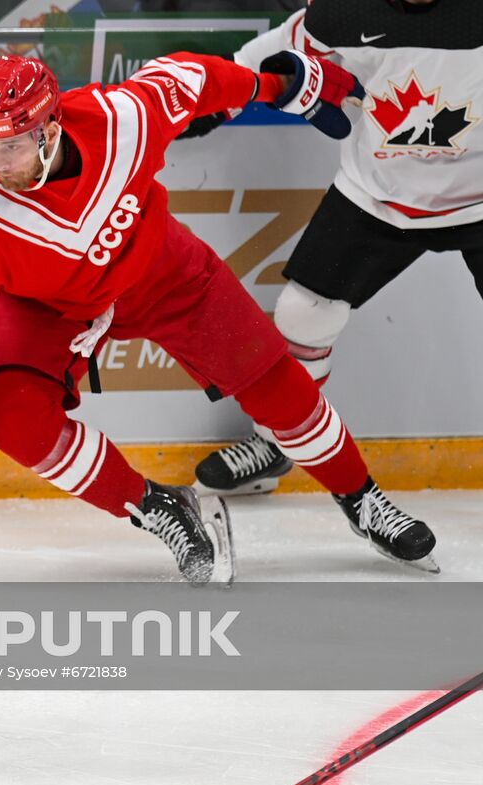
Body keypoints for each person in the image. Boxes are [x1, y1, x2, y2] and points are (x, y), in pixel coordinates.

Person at [0, 49, 440, 581]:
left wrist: (274, 84)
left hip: (164, 273)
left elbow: (196, 76)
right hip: (47, 308)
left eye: (12, 144)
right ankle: (159, 507)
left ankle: (361, 499)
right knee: (14, 420)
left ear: (50, 126)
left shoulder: (123, 118)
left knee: (280, 390)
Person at [187, 0, 483, 509]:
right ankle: (279, 439)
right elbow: (261, 60)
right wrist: (209, 102)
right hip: (376, 194)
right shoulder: (341, 12)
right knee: (304, 317)